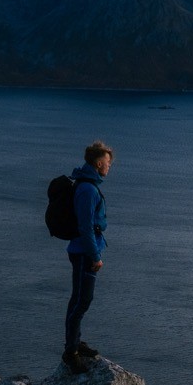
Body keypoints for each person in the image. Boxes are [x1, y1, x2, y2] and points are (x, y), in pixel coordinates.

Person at [63, 141, 113, 372]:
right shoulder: (87, 190)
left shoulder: (87, 185)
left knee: (79, 298)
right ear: (98, 163)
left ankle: (75, 343)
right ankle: (70, 352)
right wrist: (95, 257)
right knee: (83, 300)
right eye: (108, 163)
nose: (109, 167)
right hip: (84, 253)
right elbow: (85, 227)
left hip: (83, 250)